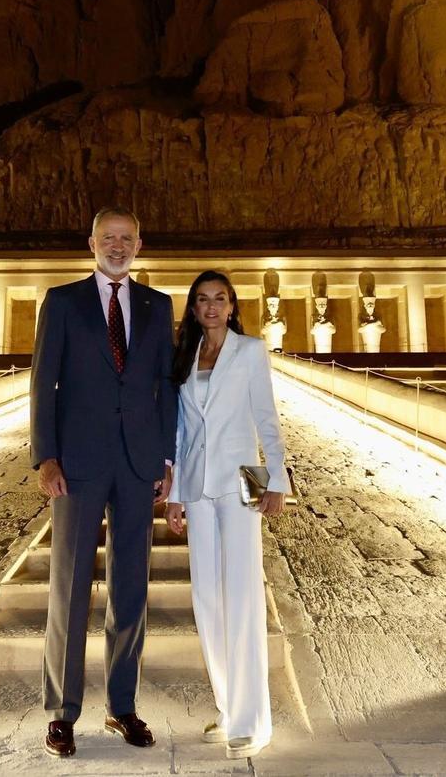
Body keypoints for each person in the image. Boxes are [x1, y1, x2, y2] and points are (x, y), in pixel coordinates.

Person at [30, 206, 177, 758]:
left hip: (139, 463)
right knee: (68, 589)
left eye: (127, 238)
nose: (118, 246)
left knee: (131, 590)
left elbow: (168, 386)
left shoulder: (157, 307)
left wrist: (168, 459)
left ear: (140, 244)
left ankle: (122, 707)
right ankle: (62, 713)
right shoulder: (63, 302)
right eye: (108, 238)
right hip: (78, 464)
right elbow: (44, 383)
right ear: (91, 242)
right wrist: (45, 457)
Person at [165, 270, 289, 760]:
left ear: (233, 307)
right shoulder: (186, 357)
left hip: (242, 483)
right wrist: (174, 492)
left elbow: (267, 420)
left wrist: (276, 482)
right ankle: (227, 706)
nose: (211, 307)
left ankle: (252, 721)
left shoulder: (251, 351)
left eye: (220, 299)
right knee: (206, 598)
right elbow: (179, 428)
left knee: (241, 596)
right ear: (194, 309)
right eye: (202, 300)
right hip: (196, 485)